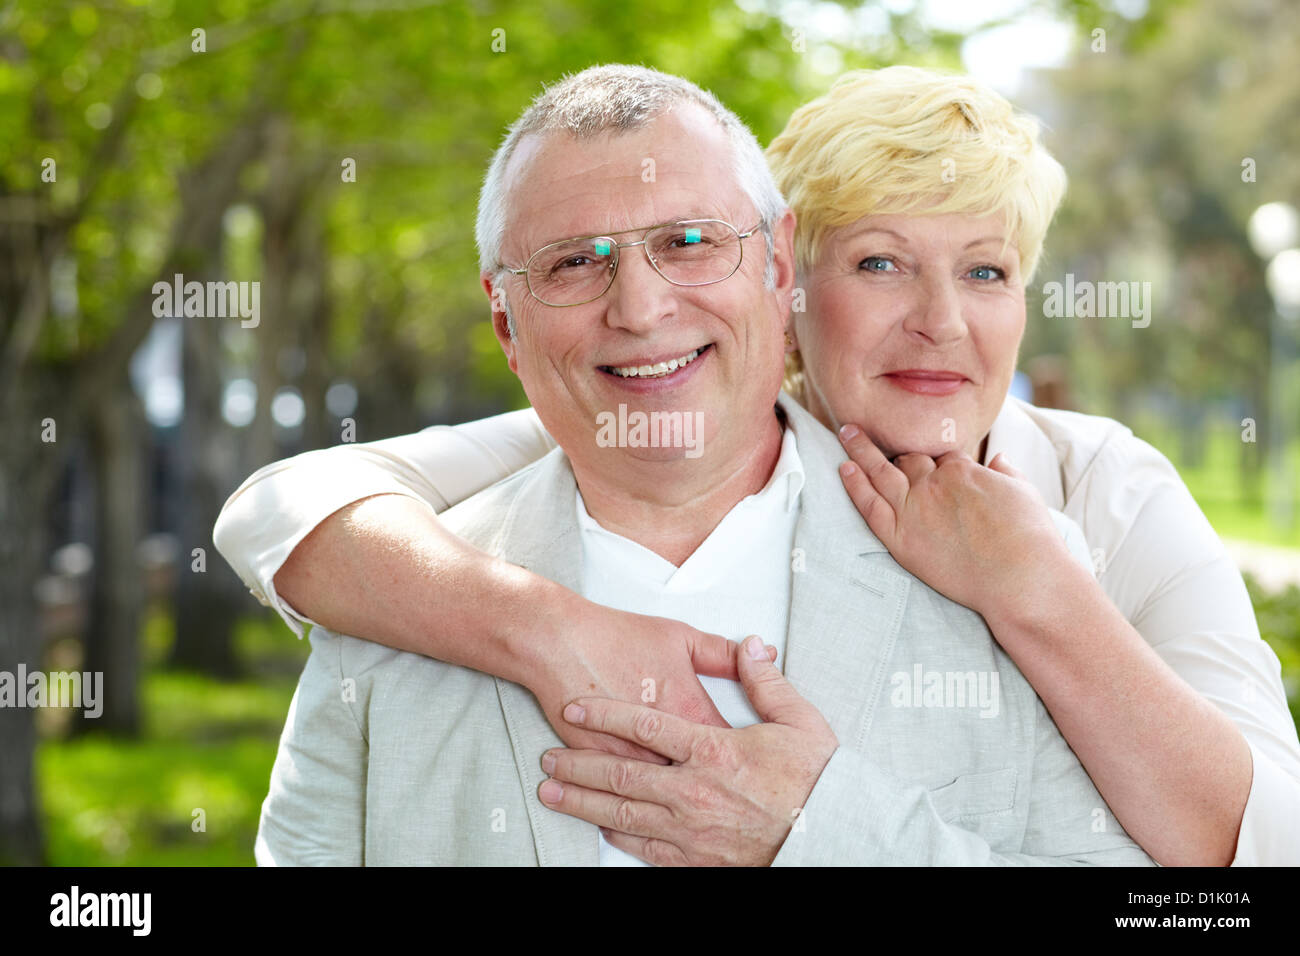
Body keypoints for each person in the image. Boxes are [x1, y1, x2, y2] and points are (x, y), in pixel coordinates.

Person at [219, 66, 1300, 866]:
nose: (940, 322)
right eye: (879, 262)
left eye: (986, 270)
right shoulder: (428, 574)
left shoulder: (1080, 518)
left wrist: (822, 829)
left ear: (763, 262)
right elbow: (294, 502)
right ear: (795, 285)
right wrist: (545, 625)